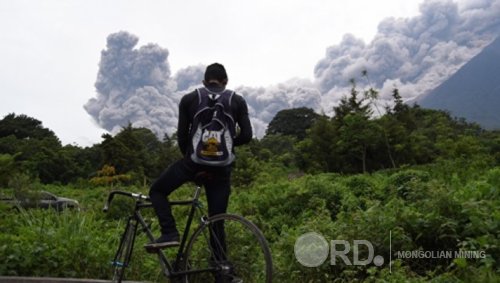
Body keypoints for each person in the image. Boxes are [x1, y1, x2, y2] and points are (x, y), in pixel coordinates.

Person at [146, 63, 253, 249]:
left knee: (157, 191)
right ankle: (222, 270)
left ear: (204, 81)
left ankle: (170, 232)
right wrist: (225, 144)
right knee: (216, 221)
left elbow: (182, 137)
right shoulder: (237, 100)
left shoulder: (189, 99)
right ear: (225, 81)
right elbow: (247, 136)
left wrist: (193, 159)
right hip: (222, 169)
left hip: (192, 164)